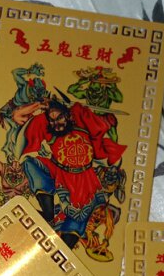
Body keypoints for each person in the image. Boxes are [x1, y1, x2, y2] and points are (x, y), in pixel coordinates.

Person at [20, 98, 125, 249]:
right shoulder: (49, 130)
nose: (57, 124)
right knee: (31, 163)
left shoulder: (80, 122)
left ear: (68, 116)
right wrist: (49, 106)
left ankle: (62, 251)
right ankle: (48, 212)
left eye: (60, 118)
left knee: (79, 215)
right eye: (52, 120)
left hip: (85, 178)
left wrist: (107, 120)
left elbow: (100, 124)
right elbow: (36, 126)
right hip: (60, 172)